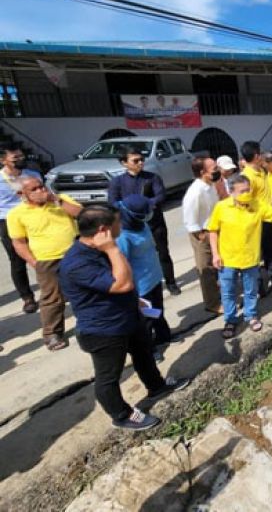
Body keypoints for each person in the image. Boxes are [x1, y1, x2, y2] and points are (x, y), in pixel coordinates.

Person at [59, 204, 189, 431]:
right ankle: (121, 415)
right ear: (103, 230)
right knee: (108, 377)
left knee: (144, 354)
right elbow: (122, 284)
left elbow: (123, 281)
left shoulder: (99, 249)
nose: (122, 225)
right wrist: (111, 249)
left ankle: (156, 386)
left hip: (128, 317)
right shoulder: (77, 263)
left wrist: (135, 301)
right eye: (118, 222)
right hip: (104, 330)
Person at [207, 174, 272, 339]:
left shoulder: (256, 204)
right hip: (227, 259)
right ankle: (230, 320)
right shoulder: (221, 207)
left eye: (248, 190)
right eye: (242, 191)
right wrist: (215, 254)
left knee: (250, 290)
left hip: (250, 258)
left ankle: (251, 315)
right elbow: (213, 231)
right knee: (228, 292)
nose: (247, 194)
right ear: (231, 192)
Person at [7, 176, 81, 350]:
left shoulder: (61, 200)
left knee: (83, 290)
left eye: (41, 186)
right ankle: (52, 334)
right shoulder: (16, 214)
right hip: (46, 260)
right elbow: (19, 243)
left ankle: (89, 325)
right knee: (52, 298)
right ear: (21, 194)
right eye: (34, 189)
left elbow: (81, 214)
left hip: (74, 254)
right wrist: (34, 262)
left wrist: (56, 200)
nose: (41, 191)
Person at [108, 145, 181, 295]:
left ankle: (171, 282)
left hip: (154, 222)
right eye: (135, 161)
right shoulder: (117, 182)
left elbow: (160, 196)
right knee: (132, 256)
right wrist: (130, 208)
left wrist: (145, 205)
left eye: (142, 159)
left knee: (163, 252)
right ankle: (137, 283)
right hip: (130, 227)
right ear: (124, 163)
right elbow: (113, 202)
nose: (140, 163)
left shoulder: (152, 178)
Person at [116, 195, 173, 361]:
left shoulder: (141, 224)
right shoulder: (123, 236)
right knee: (145, 319)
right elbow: (122, 265)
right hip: (140, 286)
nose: (150, 213)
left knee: (158, 310)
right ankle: (150, 350)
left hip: (154, 278)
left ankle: (163, 336)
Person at [240, 141, 272, 290]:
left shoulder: (261, 171)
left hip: (269, 217)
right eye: (261, 153)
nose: (262, 156)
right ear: (256, 156)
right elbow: (247, 203)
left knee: (270, 250)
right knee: (258, 254)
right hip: (258, 221)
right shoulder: (247, 177)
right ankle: (259, 284)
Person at [0, 146, 41, 313]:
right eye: (15, 158)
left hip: (33, 218)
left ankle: (54, 289)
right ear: (3, 160)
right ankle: (27, 298)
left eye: (21, 156)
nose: (20, 160)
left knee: (43, 255)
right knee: (17, 261)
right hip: (8, 221)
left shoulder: (33, 175)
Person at [182, 156, 221, 314]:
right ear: (202, 172)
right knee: (206, 269)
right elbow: (189, 218)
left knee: (216, 266)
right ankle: (212, 304)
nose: (217, 170)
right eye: (214, 169)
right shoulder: (195, 192)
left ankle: (219, 295)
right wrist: (201, 236)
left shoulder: (210, 185)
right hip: (202, 233)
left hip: (213, 230)